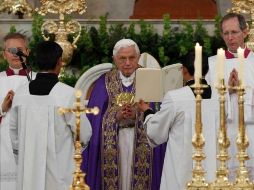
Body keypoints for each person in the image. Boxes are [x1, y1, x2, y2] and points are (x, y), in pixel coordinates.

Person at [81, 39, 165, 190]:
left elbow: (160, 116)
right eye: (122, 58)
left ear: (138, 58)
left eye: (131, 58)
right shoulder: (104, 81)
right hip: (114, 144)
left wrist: (139, 114)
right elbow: (94, 118)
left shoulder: (150, 78)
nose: (127, 63)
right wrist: (115, 116)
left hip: (142, 143)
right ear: (114, 59)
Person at [9, 41, 92, 190]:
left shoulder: (21, 94)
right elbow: (83, 134)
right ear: (59, 61)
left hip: (28, 170)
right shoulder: (68, 94)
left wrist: (23, 157)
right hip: (59, 171)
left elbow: (14, 135)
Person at [137, 52, 217, 190]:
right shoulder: (219, 96)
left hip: (182, 168)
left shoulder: (176, 97)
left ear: (184, 70)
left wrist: (147, 111)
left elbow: (156, 131)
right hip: (212, 165)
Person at [205, 12, 254, 180]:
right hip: (222, 133)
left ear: (245, 32)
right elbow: (204, 103)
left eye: (234, 32)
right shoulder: (212, 64)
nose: (230, 37)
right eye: (226, 33)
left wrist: (244, 89)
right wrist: (227, 90)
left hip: (252, 133)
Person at [0, 33, 36, 190]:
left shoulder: (38, 79)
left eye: (19, 49)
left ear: (27, 52)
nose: (15, 54)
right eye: (11, 50)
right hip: (3, 144)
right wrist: (2, 109)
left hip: (30, 139)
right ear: (4, 54)